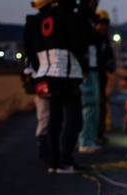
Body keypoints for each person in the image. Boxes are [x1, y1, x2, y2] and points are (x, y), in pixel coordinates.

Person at [27, 0, 88, 173]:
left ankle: (54, 162)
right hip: (67, 73)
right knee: (74, 119)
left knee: (55, 118)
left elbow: (31, 49)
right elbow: (80, 43)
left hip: (47, 72)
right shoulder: (68, 16)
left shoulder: (37, 20)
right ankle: (66, 160)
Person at [23, 8, 50, 162]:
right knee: (47, 112)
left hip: (38, 76)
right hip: (44, 75)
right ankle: (45, 143)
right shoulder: (45, 26)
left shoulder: (31, 25)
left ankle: (44, 141)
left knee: (44, 113)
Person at [77, 0, 103, 154]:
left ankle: (87, 140)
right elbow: (81, 45)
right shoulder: (83, 19)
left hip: (90, 67)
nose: (96, 4)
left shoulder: (87, 19)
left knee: (90, 106)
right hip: (86, 69)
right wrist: (84, 66)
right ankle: (85, 141)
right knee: (89, 105)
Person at [94, 9, 116, 145]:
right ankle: (89, 136)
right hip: (91, 75)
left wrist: (110, 64)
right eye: (100, 24)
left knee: (101, 106)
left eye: (105, 24)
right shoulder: (93, 39)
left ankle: (99, 134)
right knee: (91, 107)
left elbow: (110, 58)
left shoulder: (105, 41)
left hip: (101, 76)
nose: (102, 27)